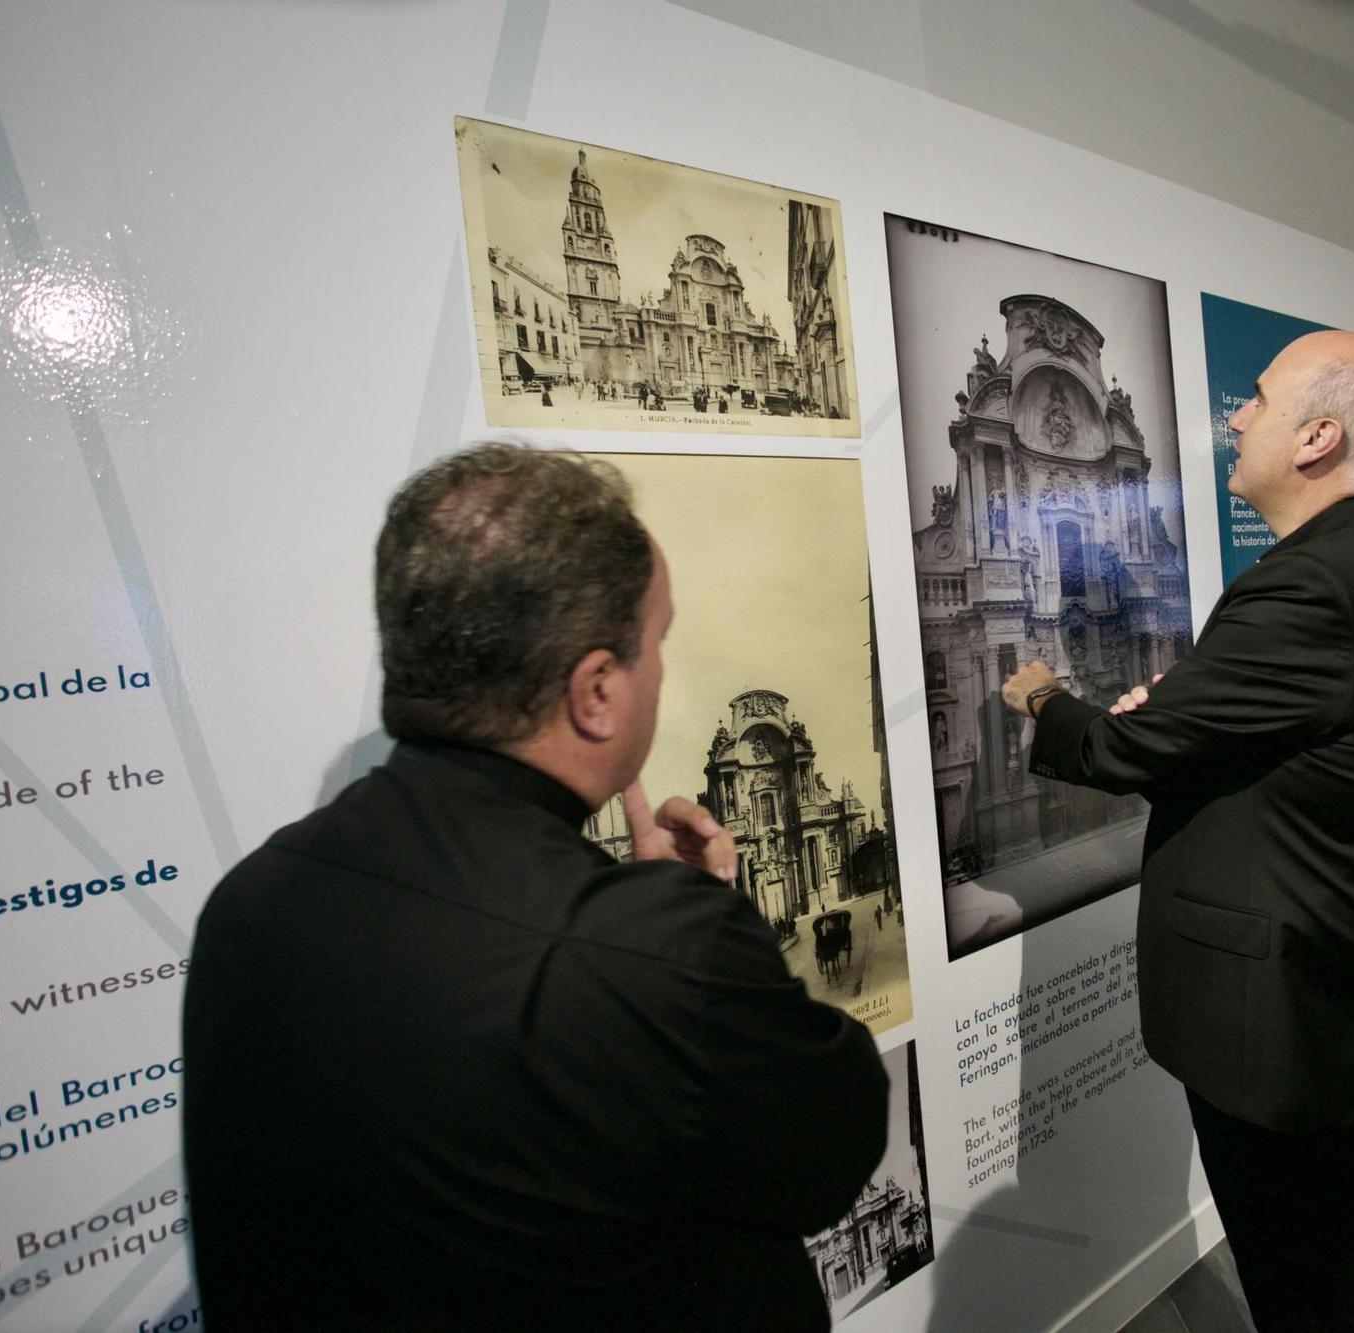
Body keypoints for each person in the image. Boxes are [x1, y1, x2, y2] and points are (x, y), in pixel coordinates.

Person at [183, 443, 888, 1331]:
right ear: (597, 690)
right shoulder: (653, 944)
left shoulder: (252, 901)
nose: (662, 672)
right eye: (656, 643)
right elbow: (833, 1144)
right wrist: (697, 917)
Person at [1002, 330, 1354, 1331]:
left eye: (1256, 400)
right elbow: (1258, 736)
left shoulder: (1312, 586)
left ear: (1315, 437)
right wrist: (1186, 713)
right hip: (1348, 990)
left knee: (1310, 1278)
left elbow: (1124, 753)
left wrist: (1044, 698)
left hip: (1295, 1017)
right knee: (1347, 1250)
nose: (1234, 415)